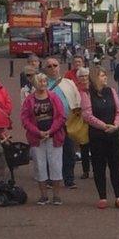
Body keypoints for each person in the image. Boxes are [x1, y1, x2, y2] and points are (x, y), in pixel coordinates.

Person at [82, 67, 119, 209]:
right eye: (102, 75)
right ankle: (102, 197)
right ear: (95, 78)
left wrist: (116, 125)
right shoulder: (87, 94)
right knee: (99, 166)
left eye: (105, 75)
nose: (105, 77)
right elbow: (87, 115)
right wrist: (104, 126)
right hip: (97, 135)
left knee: (115, 165)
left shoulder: (111, 91)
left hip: (113, 133)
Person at [20, 73, 67, 205]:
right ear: (35, 83)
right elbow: (25, 119)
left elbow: (61, 116)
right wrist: (38, 132)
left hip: (54, 136)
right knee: (39, 166)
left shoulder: (54, 97)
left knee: (56, 165)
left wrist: (51, 130)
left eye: (44, 81)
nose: (42, 84)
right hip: (37, 138)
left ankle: (56, 195)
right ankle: (43, 195)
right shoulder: (29, 100)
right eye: (40, 81)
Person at [42, 57, 81, 189]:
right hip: (49, 122)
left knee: (69, 152)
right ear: (45, 69)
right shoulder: (42, 84)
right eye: (49, 66)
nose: (53, 68)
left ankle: (69, 179)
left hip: (67, 121)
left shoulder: (69, 83)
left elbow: (77, 99)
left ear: (59, 66)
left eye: (55, 65)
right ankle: (51, 179)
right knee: (51, 152)